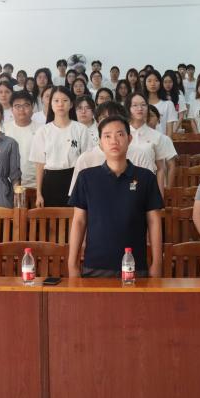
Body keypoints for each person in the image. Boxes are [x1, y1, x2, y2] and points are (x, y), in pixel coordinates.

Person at [68, 115, 164, 278]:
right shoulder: (86, 177)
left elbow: (154, 221)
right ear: (100, 142)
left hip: (135, 266)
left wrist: (157, 263)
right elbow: (79, 221)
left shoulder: (146, 177)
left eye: (120, 134)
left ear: (129, 139)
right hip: (95, 266)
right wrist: (72, 265)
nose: (114, 141)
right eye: (107, 136)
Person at [68, 102, 158, 195]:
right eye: (104, 119)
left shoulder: (140, 155)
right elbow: (78, 199)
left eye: (115, 118)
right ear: (97, 124)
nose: (110, 123)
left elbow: (150, 194)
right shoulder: (85, 159)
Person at [30, 87, 92, 207]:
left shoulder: (81, 129)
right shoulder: (43, 131)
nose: (60, 104)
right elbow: (39, 165)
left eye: (65, 100)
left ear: (71, 104)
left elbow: (87, 162)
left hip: (75, 179)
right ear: (51, 104)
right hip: (50, 183)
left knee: (75, 216)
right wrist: (38, 193)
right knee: (51, 218)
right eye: (56, 100)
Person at [126, 92, 176, 192]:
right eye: (135, 105)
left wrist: (160, 196)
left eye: (143, 105)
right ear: (128, 108)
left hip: (148, 185)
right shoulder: (122, 134)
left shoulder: (157, 136)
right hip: (125, 185)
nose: (140, 108)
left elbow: (160, 169)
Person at [143, 70, 178, 136]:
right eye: (149, 81)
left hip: (162, 141)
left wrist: (167, 142)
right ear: (145, 83)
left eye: (156, 80)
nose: (153, 84)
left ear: (160, 83)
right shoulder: (141, 105)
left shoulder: (168, 104)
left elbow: (169, 131)